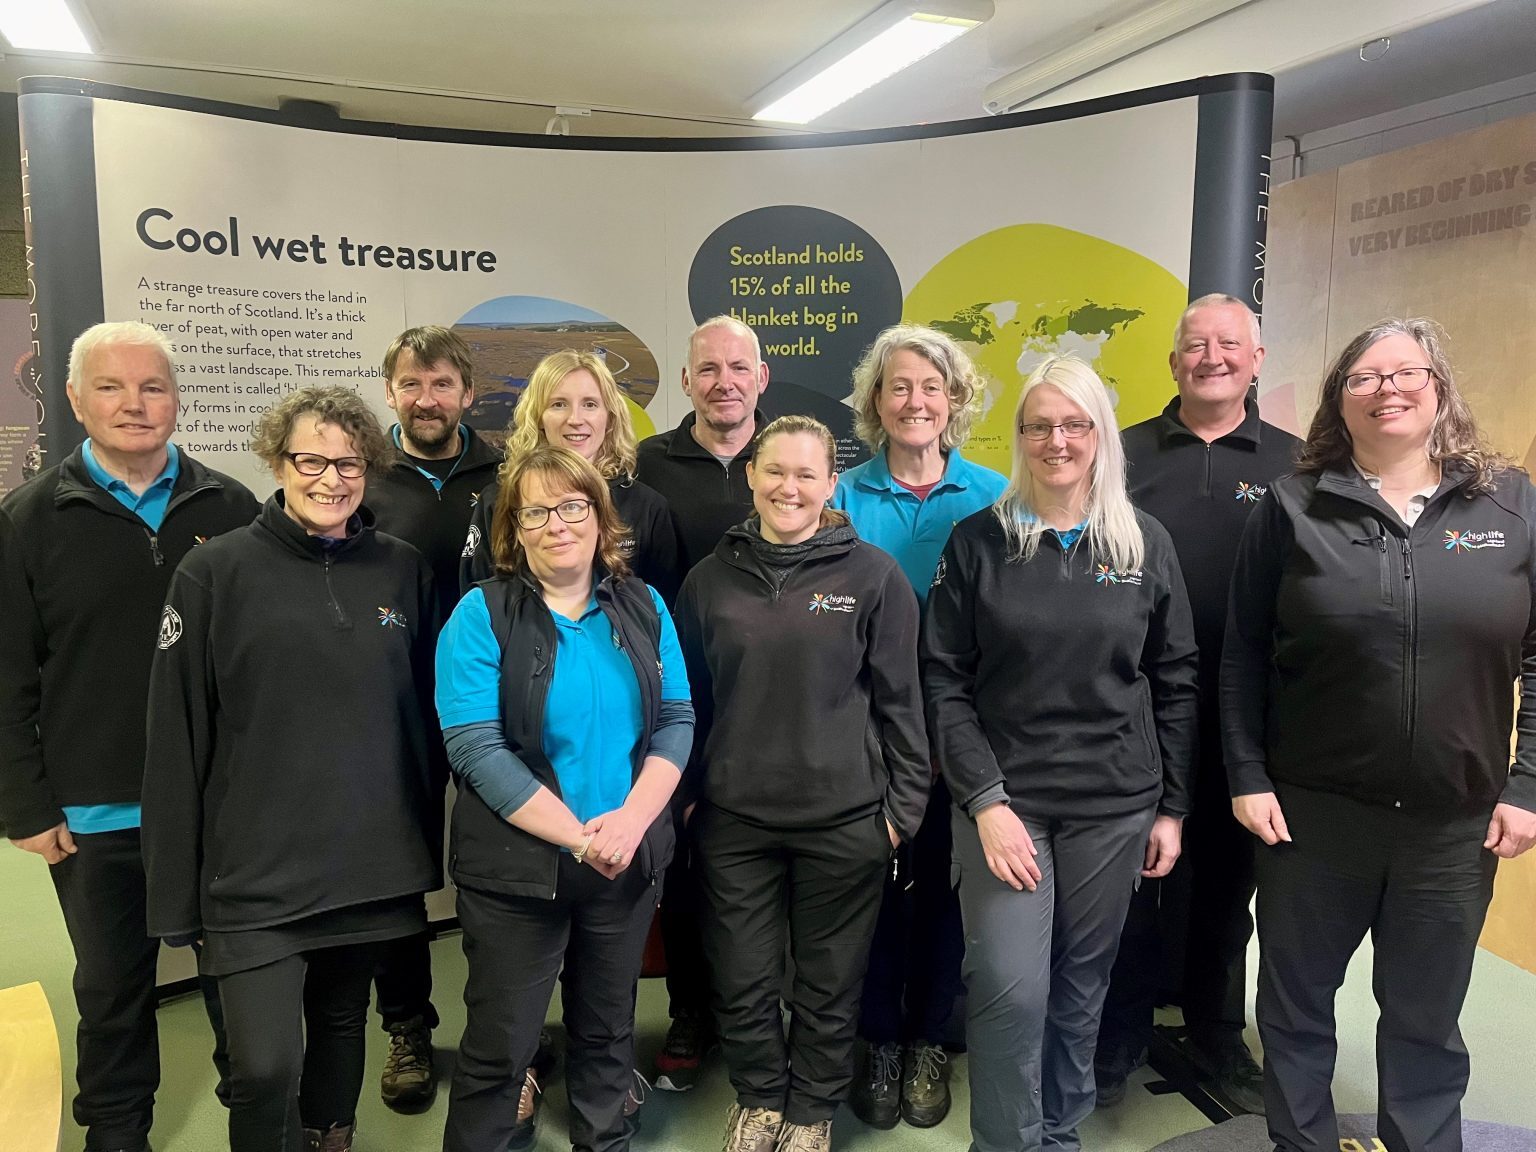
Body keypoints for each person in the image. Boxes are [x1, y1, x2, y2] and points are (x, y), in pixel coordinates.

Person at [1221, 318, 1536, 1152]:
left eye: (1406, 372)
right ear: (1340, 400)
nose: (1387, 389)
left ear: (1438, 387)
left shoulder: (1509, 504)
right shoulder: (1295, 504)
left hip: (1452, 824)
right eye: (1363, 377)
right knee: (1293, 1016)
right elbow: (1243, 653)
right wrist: (1246, 774)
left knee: (1427, 1024)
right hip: (1312, 818)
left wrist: (1529, 782)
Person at [143, 387, 442, 1152]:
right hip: (254, 878)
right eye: (311, 459)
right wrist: (177, 900)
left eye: (349, 462)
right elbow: (176, 739)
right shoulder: (215, 575)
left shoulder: (401, 572)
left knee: (342, 1029)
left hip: (369, 866)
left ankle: (329, 1140)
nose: (330, 478)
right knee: (266, 1065)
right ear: (278, 461)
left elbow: (426, 720)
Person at [923, 356, 1199, 1152]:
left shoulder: (1143, 542)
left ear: (1100, 436)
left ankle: (1059, 1133)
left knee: (1082, 986)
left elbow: (1175, 677)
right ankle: (1007, 1142)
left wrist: (1173, 807)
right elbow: (943, 680)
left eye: (1074, 423)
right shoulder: (979, 542)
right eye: (1039, 424)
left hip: (1114, 805)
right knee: (1012, 988)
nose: (1056, 440)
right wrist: (986, 804)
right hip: (1007, 802)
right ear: (1019, 437)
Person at [0, 321, 256, 1152]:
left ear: (177, 399)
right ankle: (117, 1132)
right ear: (74, 399)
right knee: (113, 991)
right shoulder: (26, 522)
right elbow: (6, 677)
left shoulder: (232, 507)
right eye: (111, 387)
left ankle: (260, 1121)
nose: (134, 404)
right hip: (97, 812)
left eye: (152, 387)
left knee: (237, 984)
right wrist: (26, 806)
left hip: (220, 807)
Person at [674, 414, 929, 1152]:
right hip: (734, 823)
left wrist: (899, 815)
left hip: (845, 821)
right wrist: (689, 801)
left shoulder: (873, 577)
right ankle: (760, 1101)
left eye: (806, 474)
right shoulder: (707, 580)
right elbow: (686, 698)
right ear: (751, 475)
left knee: (827, 981)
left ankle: (812, 1110)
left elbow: (903, 705)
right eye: (774, 471)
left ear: (830, 484)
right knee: (746, 978)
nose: (789, 487)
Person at [435, 444, 692, 1152]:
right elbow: (475, 747)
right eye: (536, 511)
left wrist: (634, 821)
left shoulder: (643, 606)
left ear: (600, 517)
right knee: (500, 1044)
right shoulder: (478, 615)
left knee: (608, 1033)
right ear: (513, 530)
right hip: (519, 871)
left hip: (625, 863)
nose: (557, 524)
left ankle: (603, 1138)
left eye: (573, 506)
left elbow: (676, 718)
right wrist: (581, 839)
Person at [1096, 294, 1300, 1111]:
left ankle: (1216, 1031)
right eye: (1194, 344)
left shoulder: (1297, 465)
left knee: (1226, 884)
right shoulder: (1124, 453)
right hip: (1131, 707)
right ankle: (1118, 1029)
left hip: (1250, 718)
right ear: (1173, 359)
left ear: (1256, 360)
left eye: (1229, 344)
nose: (1210, 356)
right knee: (1127, 884)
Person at [830, 324, 1006, 1130]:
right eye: (898, 387)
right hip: (861, 738)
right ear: (875, 401)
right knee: (870, 894)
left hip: (962, 738)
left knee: (943, 894)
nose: (915, 401)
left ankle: (933, 1038)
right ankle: (880, 1040)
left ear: (955, 400)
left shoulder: (996, 495)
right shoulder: (840, 498)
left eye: (931, 387)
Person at [365, 324, 500, 1111]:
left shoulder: (506, 473)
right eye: (411, 384)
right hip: (398, 707)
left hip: (492, 707)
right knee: (395, 878)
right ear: (392, 392)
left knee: (497, 878)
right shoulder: (366, 477)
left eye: (442, 383)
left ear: (467, 394)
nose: (426, 398)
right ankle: (408, 1029)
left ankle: (508, 1032)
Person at [634, 316, 768, 1090]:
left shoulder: (788, 457)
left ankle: (762, 1013)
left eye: (737, 367)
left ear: (762, 376)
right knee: (684, 862)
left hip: (770, 700)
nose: (724, 381)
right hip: (677, 697)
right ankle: (691, 1012)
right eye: (708, 369)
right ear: (687, 382)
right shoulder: (650, 467)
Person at [461, 348, 679, 601]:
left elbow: (661, 608)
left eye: (590, 404)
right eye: (558, 404)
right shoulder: (499, 500)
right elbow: (476, 599)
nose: (575, 419)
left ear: (609, 417)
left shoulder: (646, 507)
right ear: (538, 417)